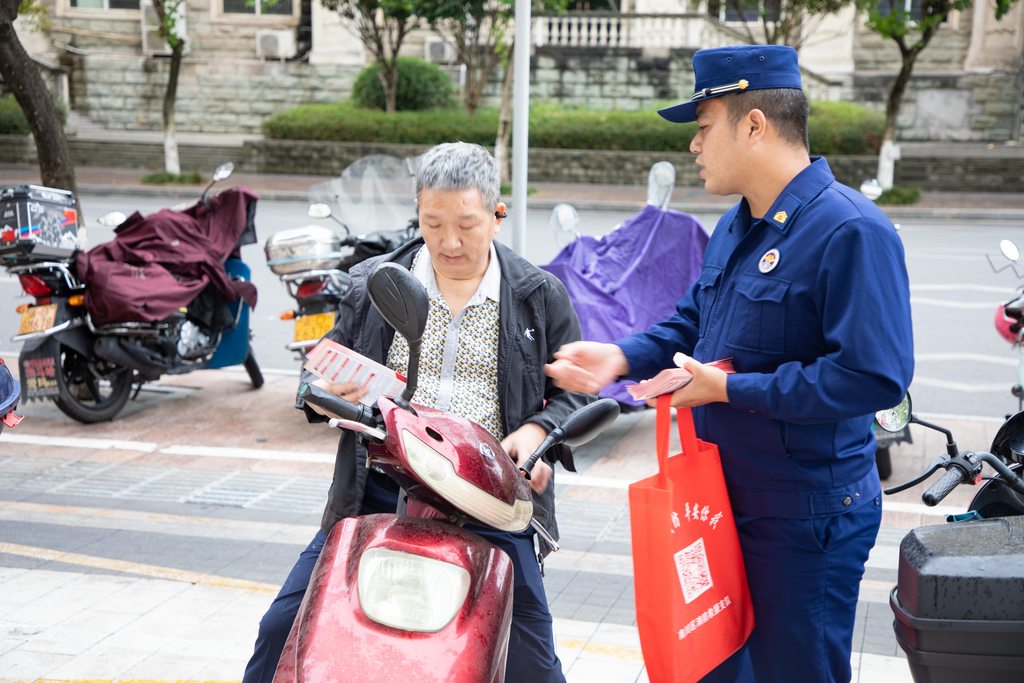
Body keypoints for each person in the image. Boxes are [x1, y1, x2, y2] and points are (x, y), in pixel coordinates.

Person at [545, 45, 914, 683]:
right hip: (720, 502)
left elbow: (872, 377)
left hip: (802, 516)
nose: (694, 146)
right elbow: (695, 319)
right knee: (712, 667)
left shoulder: (850, 231)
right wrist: (621, 355)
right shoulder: (736, 225)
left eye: (702, 125)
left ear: (753, 125)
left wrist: (729, 390)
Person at [243, 142, 588, 683]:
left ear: (497, 215)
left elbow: (574, 393)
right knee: (282, 629)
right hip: (381, 489)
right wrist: (325, 387)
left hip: (489, 498)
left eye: (467, 225)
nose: (449, 242)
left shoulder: (538, 297)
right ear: (418, 213)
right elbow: (318, 376)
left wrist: (538, 428)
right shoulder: (374, 283)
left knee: (532, 658)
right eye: (432, 223)